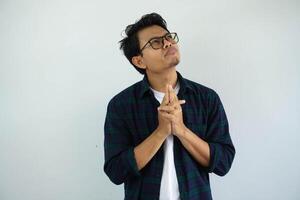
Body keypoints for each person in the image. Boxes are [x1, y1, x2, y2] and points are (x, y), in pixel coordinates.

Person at [103, 12, 235, 200]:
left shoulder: (206, 98)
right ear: (139, 60)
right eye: (155, 42)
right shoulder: (121, 105)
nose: (167, 43)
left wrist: (181, 130)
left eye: (168, 37)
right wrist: (161, 132)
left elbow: (223, 163)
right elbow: (116, 172)